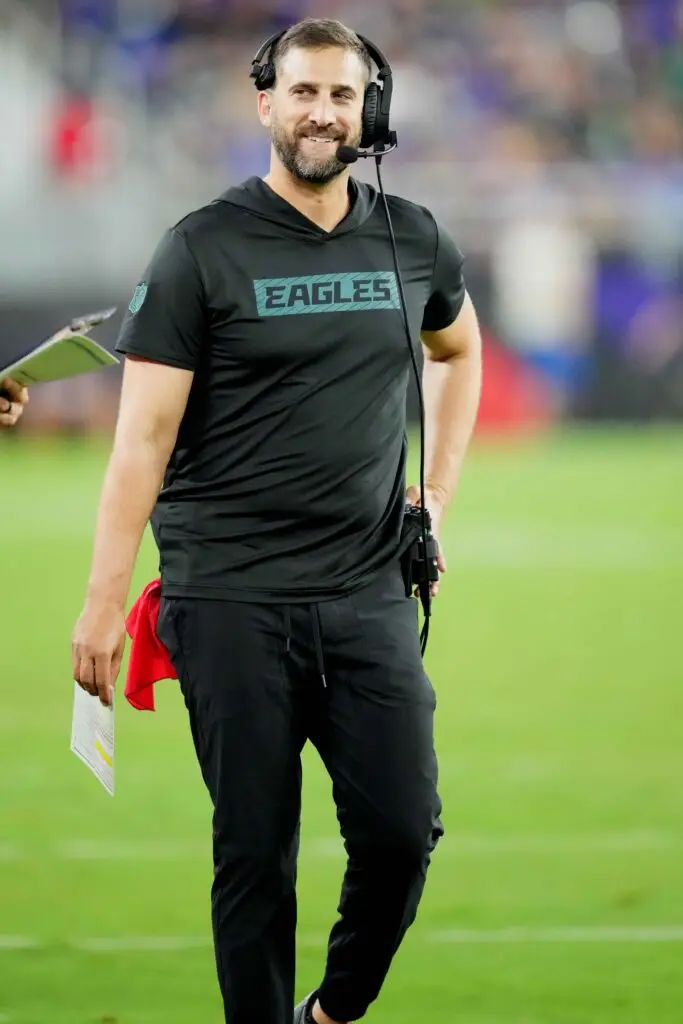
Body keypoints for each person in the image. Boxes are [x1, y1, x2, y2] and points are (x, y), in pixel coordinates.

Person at [71, 18, 482, 1024]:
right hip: (228, 602)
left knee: (399, 831)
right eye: (303, 93)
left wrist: (434, 493)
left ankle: (331, 1011)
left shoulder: (411, 236)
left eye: (342, 96)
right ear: (265, 102)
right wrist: (101, 599)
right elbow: (141, 439)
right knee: (254, 853)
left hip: (366, 592)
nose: (322, 113)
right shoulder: (198, 248)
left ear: (367, 110)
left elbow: (458, 350)